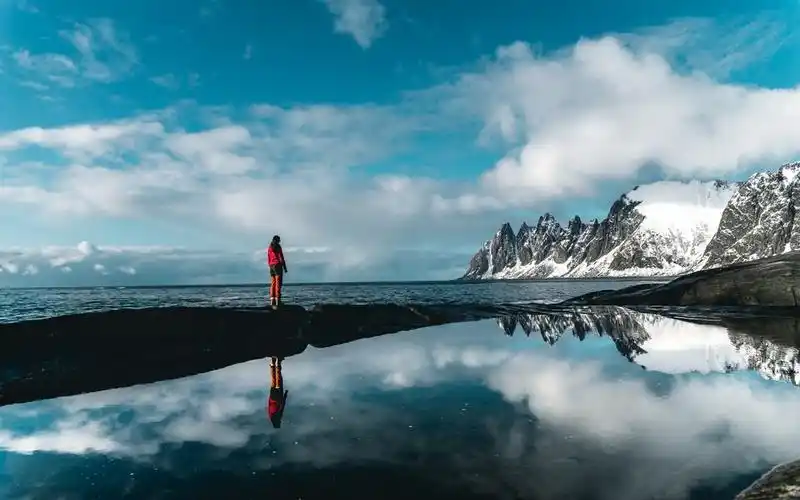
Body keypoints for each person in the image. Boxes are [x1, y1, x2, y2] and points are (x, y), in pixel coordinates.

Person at [267, 356, 288, 428]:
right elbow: (269, 405)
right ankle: (273, 362)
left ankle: (278, 362)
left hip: (278, 397)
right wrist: (270, 397)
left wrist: (285, 395)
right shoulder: (270, 416)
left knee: (278, 379)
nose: (280, 422)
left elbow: (282, 406)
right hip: (272, 396)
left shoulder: (278, 416)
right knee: (273, 380)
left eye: (279, 423)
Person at [267, 235, 288, 308]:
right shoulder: (278, 246)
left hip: (271, 266)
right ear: (277, 240)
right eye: (279, 240)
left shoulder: (270, 247)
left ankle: (272, 300)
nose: (280, 241)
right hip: (277, 265)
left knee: (273, 283)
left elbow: (268, 257)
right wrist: (285, 267)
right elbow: (281, 257)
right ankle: (278, 301)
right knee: (278, 283)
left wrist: (270, 265)